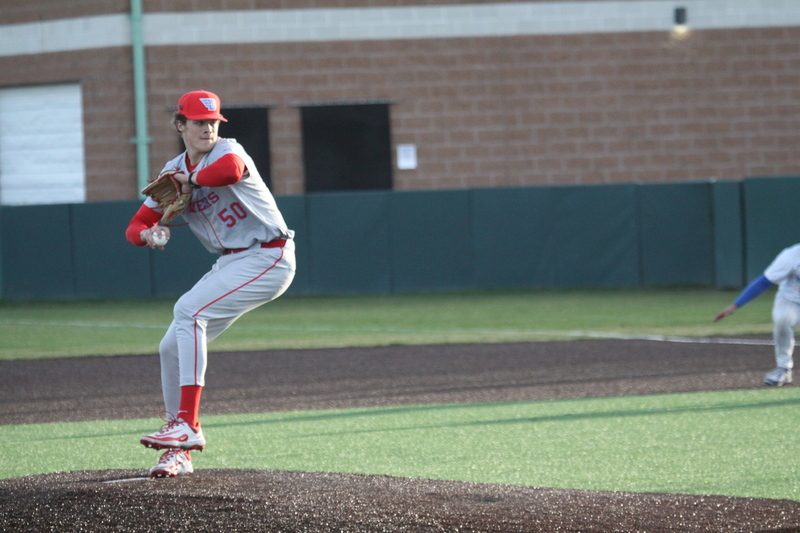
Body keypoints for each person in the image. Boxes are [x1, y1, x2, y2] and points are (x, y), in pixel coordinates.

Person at [125, 90, 296, 478]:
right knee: (170, 346)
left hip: (268, 254)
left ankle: (187, 423)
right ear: (180, 125)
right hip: (231, 263)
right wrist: (148, 235)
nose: (207, 128)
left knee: (188, 311)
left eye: (213, 121)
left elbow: (230, 172)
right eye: (199, 122)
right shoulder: (174, 170)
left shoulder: (227, 151)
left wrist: (190, 179)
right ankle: (179, 448)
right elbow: (135, 225)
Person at [713, 242, 800, 387]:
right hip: (790, 299)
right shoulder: (792, 255)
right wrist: (736, 305)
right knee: (783, 320)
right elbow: (764, 282)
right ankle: (783, 369)